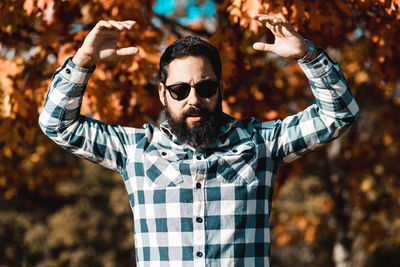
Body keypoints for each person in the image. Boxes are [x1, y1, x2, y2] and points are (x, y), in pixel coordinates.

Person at [39, 14, 359, 267]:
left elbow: (339, 114)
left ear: (220, 89)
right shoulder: (135, 150)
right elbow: (56, 124)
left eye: (205, 88)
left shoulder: (261, 144)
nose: (193, 99)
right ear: (163, 93)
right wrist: (82, 61)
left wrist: (308, 55)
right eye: (179, 90)